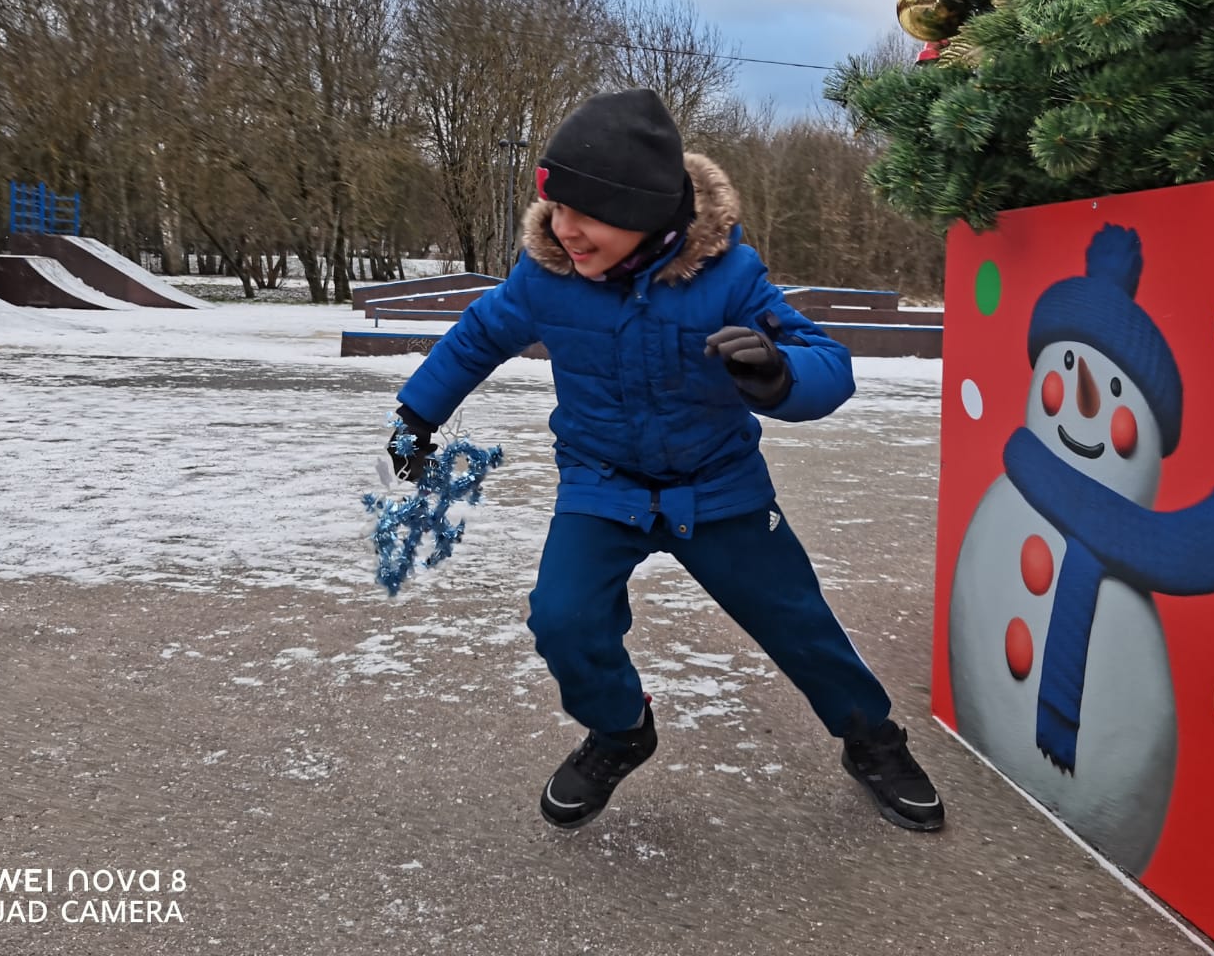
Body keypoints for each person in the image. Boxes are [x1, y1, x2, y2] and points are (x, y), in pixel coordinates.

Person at [386, 87, 944, 833]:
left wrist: (780, 374)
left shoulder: (726, 276)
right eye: (555, 208)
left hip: (717, 490)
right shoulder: (544, 277)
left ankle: (871, 738)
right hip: (601, 486)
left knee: (798, 625)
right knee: (563, 619)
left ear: (648, 216)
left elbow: (825, 362)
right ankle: (619, 728)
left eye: (588, 215)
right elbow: (477, 336)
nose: (566, 230)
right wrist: (416, 414)